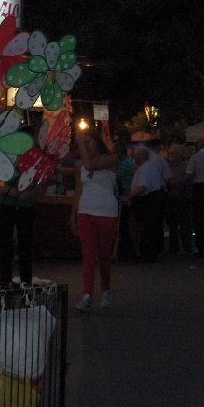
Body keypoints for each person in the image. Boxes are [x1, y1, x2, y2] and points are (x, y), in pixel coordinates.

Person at [69, 128, 119, 312]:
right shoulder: (79, 165)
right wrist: (72, 216)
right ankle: (87, 294)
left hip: (106, 212)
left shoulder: (111, 159)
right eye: (85, 142)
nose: (87, 145)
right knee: (88, 255)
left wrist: (80, 142)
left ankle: (105, 290)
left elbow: (91, 166)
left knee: (104, 255)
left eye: (89, 141)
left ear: (97, 143)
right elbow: (78, 190)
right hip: (86, 212)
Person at [0, 182, 44, 285]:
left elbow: (40, 189)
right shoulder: (4, 166)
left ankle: (26, 282)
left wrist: (29, 194)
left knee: (25, 247)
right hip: (6, 206)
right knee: (5, 246)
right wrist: (7, 190)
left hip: (26, 207)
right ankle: (5, 282)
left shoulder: (33, 166)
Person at [129, 147, 163, 262]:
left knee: (146, 229)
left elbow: (142, 188)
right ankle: (150, 253)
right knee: (149, 229)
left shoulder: (145, 169)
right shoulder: (148, 168)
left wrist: (129, 196)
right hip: (150, 201)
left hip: (146, 202)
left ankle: (147, 254)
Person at [165, 143, 193, 254]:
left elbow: (187, 181)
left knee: (184, 224)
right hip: (170, 198)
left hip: (182, 198)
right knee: (172, 224)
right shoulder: (166, 166)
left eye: (172, 153)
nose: (170, 155)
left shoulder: (185, 167)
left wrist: (176, 185)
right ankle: (174, 248)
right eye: (169, 153)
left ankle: (187, 247)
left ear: (179, 154)